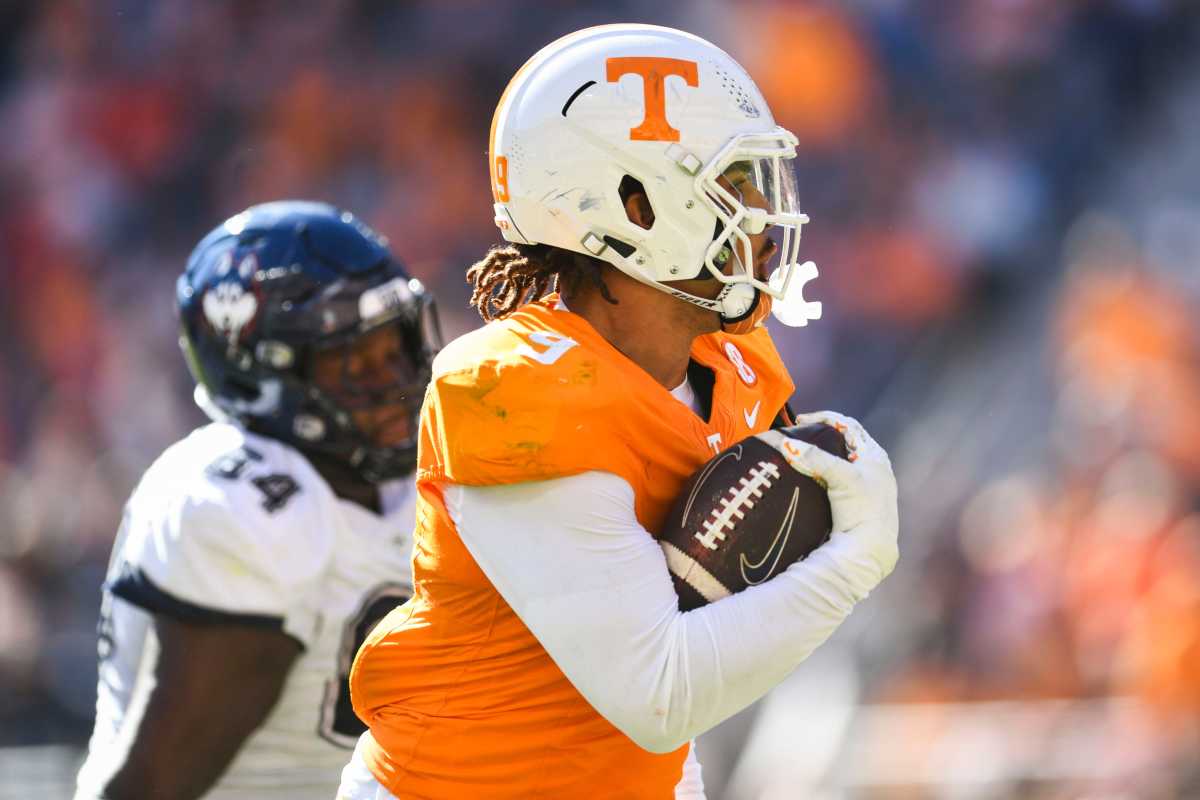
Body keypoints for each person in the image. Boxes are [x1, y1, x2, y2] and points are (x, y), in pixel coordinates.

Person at [340, 23, 899, 800]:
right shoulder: (511, 384)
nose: (763, 216)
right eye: (733, 183)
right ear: (634, 205)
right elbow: (657, 693)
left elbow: (674, 703)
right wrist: (855, 563)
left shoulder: (732, 356)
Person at [73, 201, 441, 800]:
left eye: (396, 345)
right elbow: (153, 784)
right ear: (259, 372)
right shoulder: (234, 501)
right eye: (354, 358)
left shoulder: (419, 479)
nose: (395, 379)